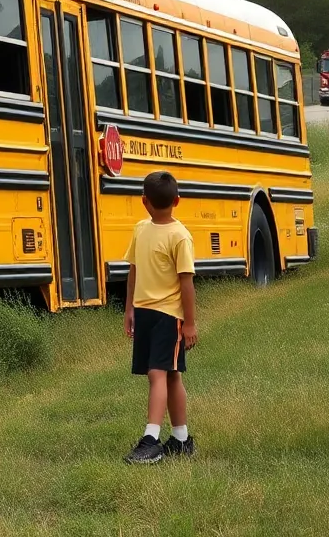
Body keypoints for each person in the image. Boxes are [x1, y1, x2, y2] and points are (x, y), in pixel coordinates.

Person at [122, 170, 198, 464]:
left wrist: (188, 323)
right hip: (145, 313)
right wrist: (130, 309)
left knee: (157, 373)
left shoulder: (180, 236)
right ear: (177, 200)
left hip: (169, 317)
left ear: (144, 201)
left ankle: (150, 440)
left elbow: (186, 282)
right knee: (171, 374)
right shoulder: (140, 230)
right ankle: (181, 439)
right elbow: (134, 270)